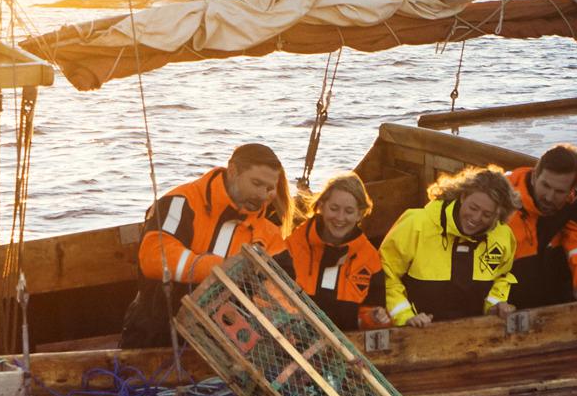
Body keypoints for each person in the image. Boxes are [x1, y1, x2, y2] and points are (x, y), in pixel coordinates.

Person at [121, 142, 290, 347]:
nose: (263, 195)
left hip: (228, 343)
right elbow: (153, 257)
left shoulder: (270, 233)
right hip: (157, 330)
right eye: (256, 183)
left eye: (269, 188)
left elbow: (277, 293)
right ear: (234, 171)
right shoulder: (180, 202)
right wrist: (223, 270)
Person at [378, 165, 520, 327]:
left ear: (498, 214)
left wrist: (494, 306)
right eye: (473, 208)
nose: (476, 218)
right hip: (418, 330)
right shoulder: (416, 224)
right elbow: (387, 275)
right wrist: (405, 317)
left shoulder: (502, 236)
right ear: (463, 196)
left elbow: (502, 277)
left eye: (487, 214)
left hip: (476, 330)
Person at [274, 172, 390, 331]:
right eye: (334, 208)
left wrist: (374, 317)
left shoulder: (369, 259)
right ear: (321, 206)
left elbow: (371, 316)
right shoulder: (293, 246)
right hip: (295, 339)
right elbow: (272, 296)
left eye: (349, 211)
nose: (340, 218)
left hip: (347, 344)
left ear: (359, 214)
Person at [505, 144, 577, 308]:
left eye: (559, 191)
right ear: (534, 177)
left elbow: (575, 241)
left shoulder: (570, 208)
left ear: (571, 190)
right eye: (545, 186)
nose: (549, 197)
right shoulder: (503, 205)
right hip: (505, 308)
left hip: (550, 307)